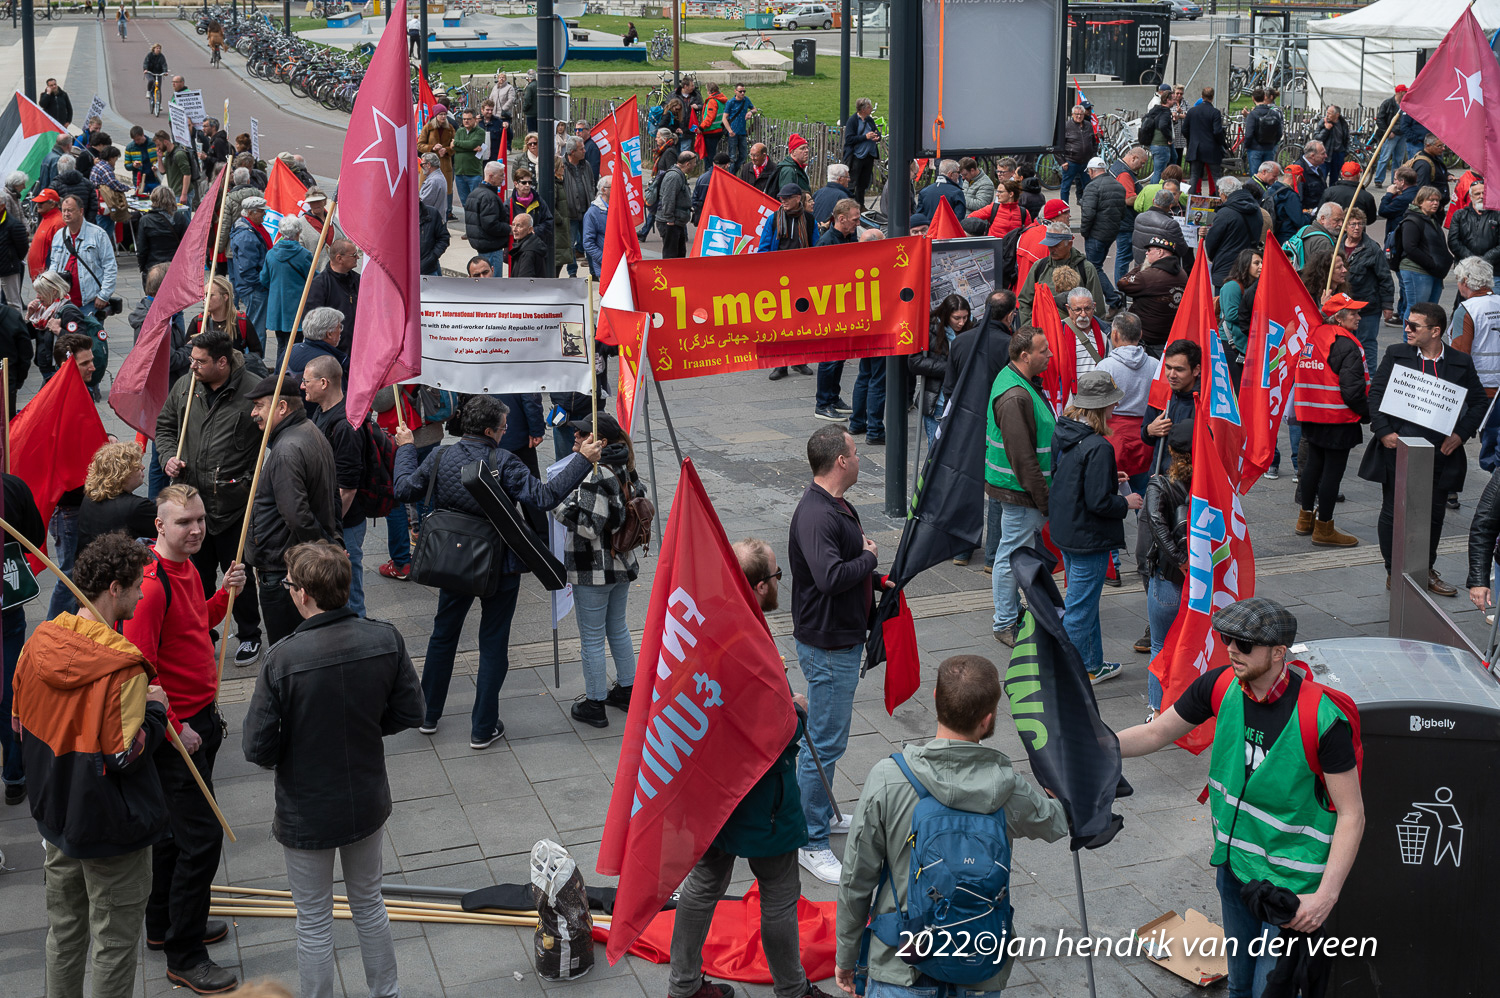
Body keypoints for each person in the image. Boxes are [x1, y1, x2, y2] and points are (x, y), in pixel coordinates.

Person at [1117, 597, 1365, 998]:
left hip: (1291, 889)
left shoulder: (1321, 717)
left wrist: (1325, 898)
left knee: (1271, 991)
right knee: (1239, 986)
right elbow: (1155, 733)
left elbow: (1353, 815)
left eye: (1245, 644)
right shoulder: (1219, 686)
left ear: (1279, 652)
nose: (1231, 648)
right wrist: (1089, 751)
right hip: (1234, 871)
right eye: (1227, 638)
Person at [242, 541, 424, 998]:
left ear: (303, 594)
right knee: (369, 904)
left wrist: (297, 745)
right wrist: (363, 728)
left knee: (315, 921)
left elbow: (257, 746)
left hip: (307, 808)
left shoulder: (282, 659)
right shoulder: (385, 639)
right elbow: (410, 710)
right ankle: (387, 993)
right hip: (365, 798)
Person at [833, 655, 1068, 998]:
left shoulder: (888, 778)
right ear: (988, 721)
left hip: (902, 963)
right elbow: (1056, 824)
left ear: (935, 700)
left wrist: (847, 955)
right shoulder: (1008, 788)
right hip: (979, 963)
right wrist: (1063, 790)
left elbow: (856, 879)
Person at [393, 397, 601, 747]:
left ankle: (427, 714)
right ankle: (482, 727)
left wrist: (406, 449)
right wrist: (582, 460)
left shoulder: (441, 456)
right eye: (504, 427)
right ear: (490, 431)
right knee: (492, 644)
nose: (506, 432)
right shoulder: (504, 461)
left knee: (443, 636)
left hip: (452, 560)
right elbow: (545, 496)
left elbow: (403, 489)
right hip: (500, 564)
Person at [13, 534, 169, 998]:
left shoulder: (38, 641)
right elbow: (125, 753)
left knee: (63, 934)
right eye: (138, 585)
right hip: (110, 829)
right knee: (115, 944)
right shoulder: (123, 669)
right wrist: (157, 713)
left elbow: (20, 725)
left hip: (57, 817)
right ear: (115, 588)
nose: (143, 594)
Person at [668, 536, 824, 998]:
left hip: (713, 787)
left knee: (704, 882)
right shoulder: (750, 640)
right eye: (776, 577)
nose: (780, 583)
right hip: (761, 795)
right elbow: (771, 731)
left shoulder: (704, 626)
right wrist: (795, 713)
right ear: (758, 587)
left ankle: (684, 986)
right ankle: (793, 992)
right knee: (778, 892)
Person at [115, 485, 243, 995]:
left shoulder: (186, 570)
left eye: (200, 520)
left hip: (199, 720)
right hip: (178, 731)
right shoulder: (148, 588)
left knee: (171, 834)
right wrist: (177, 727)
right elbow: (139, 671)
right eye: (184, 522)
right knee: (201, 840)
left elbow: (195, 624)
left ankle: (163, 924)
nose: (196, 529)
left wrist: (223, 597)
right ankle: (185, 955)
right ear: (159, 528)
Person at [788, 425, 885, 885]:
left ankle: (821, 811)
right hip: (828, 645)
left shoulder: (834, 506)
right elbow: (829, 577)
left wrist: (871, 578)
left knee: (828, 738)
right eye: (855, 451)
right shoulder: (817, 514)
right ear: (840, 462)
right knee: (823, 743)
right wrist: (869, 558)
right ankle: (810, 841)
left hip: (839, 638)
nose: (860, 457)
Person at [1361, 302, 1488, 594]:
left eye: (1414, 326)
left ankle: (1425, 569)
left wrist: (1460, 434)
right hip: (1399, 449)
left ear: (1435, 331)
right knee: (1393, 511)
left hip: (1440, 453)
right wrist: (1384, 433)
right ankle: (1394, 570)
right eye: (1407, 323)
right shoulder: (1397, 354)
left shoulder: (1459, 361)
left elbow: (1480, 401)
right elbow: (1377, 394)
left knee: (1433, 513)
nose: (1407, 329)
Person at [551, 413, 644, 728]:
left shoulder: (595, 474)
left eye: (582, 434)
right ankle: (628, 690)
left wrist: (560, 507)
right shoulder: (625, 466)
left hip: (594, 569)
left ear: (600, 442)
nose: (575, 438)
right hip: (622, 563)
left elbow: (590, 527)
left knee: (591, 637)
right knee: (617, 629)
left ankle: (594, 704)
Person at [1049, 371, 1141, 683]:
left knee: (1083, 603)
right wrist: (1126, 503)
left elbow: (1069, 478)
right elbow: (1100, 503)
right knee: (1079, 608)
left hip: (1066, 530)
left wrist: (1108, 479)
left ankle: (1092, 664)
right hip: (1089, 537)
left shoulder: (1064, 431)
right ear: (1103, 407)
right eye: (1112, 405)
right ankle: (1068, 675)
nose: (1115, 410)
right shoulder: (1100, 447)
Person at [243, 374, 341, 645]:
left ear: (282, 408)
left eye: (259, 406)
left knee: (286, 647)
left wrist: (327, 548)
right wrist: (333, 542)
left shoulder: (286, 449)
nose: (254, 413)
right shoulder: (310, 432)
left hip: (282, 569)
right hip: (294, 562)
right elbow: (332, 498)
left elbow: (297, 515)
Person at [988, 328, 1055, 646]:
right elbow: (1024, 458)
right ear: (1025, 356)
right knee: (1011, 554)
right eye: (1044, 351)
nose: (1050, 355)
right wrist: (1045, 500)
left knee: (1012, 551)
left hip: (1018, 489)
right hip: (1022, 493)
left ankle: (1010, 613)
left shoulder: (1016, 381)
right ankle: (1005, 622)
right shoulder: (1016, 395)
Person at [1293, 293, 1371, 547]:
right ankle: (1324, 527)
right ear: (1339, 317)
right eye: (1354, 313)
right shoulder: (1347, 344)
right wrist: (1367, 413)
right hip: (1337, 417)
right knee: (1331, 475)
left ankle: (1305, 518)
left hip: (1312, 415)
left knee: (1312, 467)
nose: (1359, 317)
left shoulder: (1312, 336)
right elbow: (1353, 391)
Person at [300, 355, 369, 618]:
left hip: (345, 525)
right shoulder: (321, 411)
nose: (303, 386)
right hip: (332, 521)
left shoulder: (345, 426)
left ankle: (359, 641)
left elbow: (347, 488)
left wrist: (331, 531)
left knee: (349, 588)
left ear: (324, 382)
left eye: (307, 381)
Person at [1138, 420, 1192, 715]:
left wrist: (1178, 561)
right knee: (1192, 645)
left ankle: (1158, 711)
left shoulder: (1160, 484)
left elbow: (1158, 528)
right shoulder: (1211, 483)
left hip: (1168, 578)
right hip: (1202, 581)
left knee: (1160, 645)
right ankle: (1190, 709)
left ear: (1170, 450)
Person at [1096, 311, 1158, 490]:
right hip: (1144, 436)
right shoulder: (1155, 364)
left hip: (1112, 436)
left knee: (1108, 492)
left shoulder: (1105, 366)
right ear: (1140, 334)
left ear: (1114, 334)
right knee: (1143, 493)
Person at [1449, 258, 1500, 471]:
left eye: (1459, 280)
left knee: (1460, 438)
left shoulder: (1467, 309)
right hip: (1497, 389)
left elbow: (1460, 354)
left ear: (1466, 281)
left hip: (1480, 388)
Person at [1017, 222, 1104, 332]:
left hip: (1076, 334)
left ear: (1070, 244)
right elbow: (1025, 301)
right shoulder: (1039, 267)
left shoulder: (1086, 268)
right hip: (1044, 334)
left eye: (1056, 245)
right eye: (1049, 245)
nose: (1052, 249)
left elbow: (1098, 307)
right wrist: (1031, 329)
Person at [76, 441, 157, 556]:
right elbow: (169, 529)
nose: (143, 467)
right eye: (137, 465)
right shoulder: (137, 507)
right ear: (123, 473)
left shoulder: (90, 498)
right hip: (120, 570)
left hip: (89, 567)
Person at [1341, 208, 1396, 368]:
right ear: (1345, 226)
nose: (1357, 227)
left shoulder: (1372, 249)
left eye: (1360, 224)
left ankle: (1370, 378)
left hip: (1367, 307)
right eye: (1352, 224)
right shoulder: (1337, 246)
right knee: (1346, 345)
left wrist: (1387, 305)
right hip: (1345, 307)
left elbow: (1385, 278)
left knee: (1367, 344)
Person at [48, 195, 116, 319]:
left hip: (90, 303)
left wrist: (103, 296)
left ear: (81, 211)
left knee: (90, 338)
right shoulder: (59, 235)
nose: (66, 214)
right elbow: (54, 264)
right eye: (64, 210)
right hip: (64, 303)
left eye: (70, 210)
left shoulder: (98, 234)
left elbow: (110, 266)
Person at [1118, 237, 1189, 355]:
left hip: (1147, 338)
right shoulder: (1182, 274)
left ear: (1160, 252)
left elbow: (1122, 283)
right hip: (1170, 335)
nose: (1146, 253)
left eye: (1149, 250)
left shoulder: (1148, 276)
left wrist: (1143, 266)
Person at [1141, 338, 1200, 478]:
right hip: (1156, 479)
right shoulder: (1163, 396)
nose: (1171, 375)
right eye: (1168, 367)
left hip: (1187, 487)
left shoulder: (1205, 402)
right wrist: (1150, 430)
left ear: (1196, 370)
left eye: (1179, 370)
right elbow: (1145, 434)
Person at [913, 295, 967, 443]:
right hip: (938, 400)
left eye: (965, 317)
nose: (961, 322)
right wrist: (950, 368)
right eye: (957, 318)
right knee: (936, 448)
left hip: (962, 399)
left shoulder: (969, 330)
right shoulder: (929, 329)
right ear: (946, 315)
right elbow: (914, 361)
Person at [259, 217, 313, 363]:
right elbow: (313, 279)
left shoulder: (271, 253)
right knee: (296, 346)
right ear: (298, 232)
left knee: (281, 345)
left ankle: (279, 375)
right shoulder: (304, 255)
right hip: (297, 307)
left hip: (277, 308)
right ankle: (290, 376)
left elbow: (264, 279)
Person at [1396, 186, 1453, 322]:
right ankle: (1410, 341)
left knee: (1430, 311)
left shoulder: (1431, 219)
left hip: (1434, 271)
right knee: (1417, 310)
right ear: (1420, 202)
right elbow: (1410, 248)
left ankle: (1424, 341)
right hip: (1417, 271)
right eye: (1431, 200)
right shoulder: (1412, 221)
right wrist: (1432, 264)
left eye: (1437, 200)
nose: (1435, 203)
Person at [1078, 156, 1126, 311]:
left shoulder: (1092, 187)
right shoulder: (1118, 186)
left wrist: (1084, 232)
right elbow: (1123, 213)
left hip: (1096, 234)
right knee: (1096, 266)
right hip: (1110, 233)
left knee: (1094, 268)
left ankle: (1114, 300)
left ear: (1091, 171)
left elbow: (1088, 214)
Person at [1202, 176, 1263, 290]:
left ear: (1224, 194)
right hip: (1248, 267)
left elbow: (1212, 241)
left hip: (1226, 269)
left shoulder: (1225, 213)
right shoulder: (1256, 210)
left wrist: (1211, 254)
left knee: (1224, 304)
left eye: (1219, 193)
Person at [304, 239, 361, 355]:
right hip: (332, 352)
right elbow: (313, 323)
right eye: (354, 255)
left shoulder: (358, 280)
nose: (358, 258)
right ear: (339, 258)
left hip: (357, 349)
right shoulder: (320, 284)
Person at [228, 197, 271, 335]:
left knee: (255, 325)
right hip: (254, 289)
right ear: (251, 213)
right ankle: (255, 356)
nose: (264, 214)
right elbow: (247, 270)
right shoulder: (247, 236)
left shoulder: (249, 228)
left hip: (250, 286)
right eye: (261, 211)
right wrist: (261, 285)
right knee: (258, 329)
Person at [1218, 248, 1262, 383]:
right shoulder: (1232, 286)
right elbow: (1231, 315)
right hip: (1231, 343)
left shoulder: (1252, 285)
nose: (1261, 266)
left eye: (1262, 262)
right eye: (1256, 263)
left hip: (1242, 342)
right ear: (1245, 264)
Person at [463, 160, 512, 275]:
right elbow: (491, 224)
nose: (503, 178)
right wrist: (509, 229)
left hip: (483, 246)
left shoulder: (475, 193)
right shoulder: (489, 197)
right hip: (492, 248)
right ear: (491, 176)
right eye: (501, 175)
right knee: (493, 285)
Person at [1448, 181, 1500, 284]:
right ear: (1471, 196)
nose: (1481, 196)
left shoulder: (1497, 215)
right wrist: (1473, 261)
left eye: (1484, 193)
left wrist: (1483, 261)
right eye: (1477, 194)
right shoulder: (1460, 215)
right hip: (1466, 271)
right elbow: (1453, 241)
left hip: (1494, 273)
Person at [1130, 187, 1191, 270]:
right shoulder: (1170, 224)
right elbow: (1182, 250)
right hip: (1160, 271)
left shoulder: (1139, 217)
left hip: (1140, 267)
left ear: (1153, 200)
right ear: (1170, 205)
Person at [135, 185, 186, 282]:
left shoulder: (146, 220)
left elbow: (142, 248)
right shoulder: (179, 218)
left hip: (153, 267)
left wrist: (143, 268)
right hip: (174, 266)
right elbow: (186, 244)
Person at [1182, 87, 1224, 195]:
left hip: (1195, 147)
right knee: (1216, 177)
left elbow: (1184, 129)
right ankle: (1218, 199)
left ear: (1202, 96)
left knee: (1194, 176)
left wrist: (1192, 140)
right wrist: (1221, 142)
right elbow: (1217, 131)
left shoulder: (1192, 111)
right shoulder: (1215, 112)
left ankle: (1191, 200)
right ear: (1212, 97)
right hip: (1211, 148)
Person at [417, 104, 457, 217]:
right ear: (436, 115)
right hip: (429, 165)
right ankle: (424, 213)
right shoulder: (428, 127)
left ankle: (446, 213)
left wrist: (447, 150)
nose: (443, 117)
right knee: (428, 189)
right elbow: (419, 145)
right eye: (441, 115)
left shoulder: (450, 128)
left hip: (445, 164)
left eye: (445, 114)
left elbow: (454, 147)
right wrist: (432, 148)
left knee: (445, 191)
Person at [841, 98, 881, 207]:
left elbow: (877, 132)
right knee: (853, 182)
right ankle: (849, 206)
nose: (871, 109)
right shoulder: (853, 121)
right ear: (863, 109)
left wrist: (877, 137)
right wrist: (865, 137)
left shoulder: (869, 120)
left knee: (863, 183)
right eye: (869, 107)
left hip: (869, 155)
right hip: (857, 156)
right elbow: (849, 139)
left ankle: (860, 206)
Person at [1059, 104, 1097, 205]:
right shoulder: (1066, 126)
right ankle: (1064, 208)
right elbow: (1058, 146)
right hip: (1071, 161)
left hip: (1086, 163)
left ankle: (1089, 207)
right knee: (1065, 187)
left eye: (1081, 114)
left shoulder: (1088, 125)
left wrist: (1093, 157)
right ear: (1072, 114)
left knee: (1089, 187)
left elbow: (1093, 142)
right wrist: (1062, 162)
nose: (1079, 116)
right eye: (1076, 114)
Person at [1320, 161, 1378, 229]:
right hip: (1357, 234)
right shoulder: (1366, 196)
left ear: (1342, 174)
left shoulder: (1329, 192)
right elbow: (1371, 219)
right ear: (1359, 175)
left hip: (1333, 232)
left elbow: (1320, 213)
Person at [1241, 86, 1284, 176]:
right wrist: (1273, 143)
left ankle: (1257, 190)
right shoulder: (1274, 113)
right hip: (1269, 148)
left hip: (1255, 148)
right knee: (1268, 175)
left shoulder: (1253, 115)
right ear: (1264, 97)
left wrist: (1246, 146)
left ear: (1253, 98)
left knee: (1256, 175)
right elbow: (1279, 132)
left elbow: (1249, 134)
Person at [1372, 85, 1409, 184]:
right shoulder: (1388, 103)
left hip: (1402, 134)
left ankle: (1395, 180)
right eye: (1405, 92)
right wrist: (1387, 132)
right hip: (1392, 135)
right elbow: (1380, 119)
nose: (1406, 93)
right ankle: (1378, 180)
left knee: (1398, 159)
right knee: (1385, 157)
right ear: (1400, 92)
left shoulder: (1404, 104)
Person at [510, 166, 554, 249]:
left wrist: (534, 230)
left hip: (536, 246)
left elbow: (549, 221)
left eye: (529, 183)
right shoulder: (509, 204)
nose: (527, 185)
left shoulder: (539, 201)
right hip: (517, 247)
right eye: (524, 183)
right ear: (516, 184)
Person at [451, 108, 487, 210]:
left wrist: (456, 143)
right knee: (465, 203)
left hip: (474, 173)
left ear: (475, 119)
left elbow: (473, 143)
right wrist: (470, 148)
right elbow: (454, 148)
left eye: (469, 119)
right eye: (464, 119)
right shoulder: (460, 131)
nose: (466, 121)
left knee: (476, 203)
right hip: (459, 174)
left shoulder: (480, 132)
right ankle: (468, 223)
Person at [27, 189, 66, 282]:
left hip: (46, 278)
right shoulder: (47, 216)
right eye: (38, 202)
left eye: (42, 202)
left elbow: (58, 254)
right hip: (40, 276)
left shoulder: (58, 222)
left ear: (52, 204)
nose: (38, 205)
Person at [1140, 88, 1177, 184]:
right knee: (1159, 172)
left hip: (1154, 145)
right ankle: (1153, 191)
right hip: (1161, 145)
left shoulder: (1156, 109)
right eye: (1173, 99)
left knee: (1158, 170)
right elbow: (1163, 125)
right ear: (1168, 100)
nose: (1175, 101)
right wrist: (1169, 138)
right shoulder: (1165, 112)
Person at [724, 84, 757, 177]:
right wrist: (729, 130)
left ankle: (733, 173)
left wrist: (750, 112)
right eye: (740, 91)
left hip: (742, 133)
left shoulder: (746, 100)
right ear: (735, 91)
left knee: (743, 156)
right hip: (733, 133)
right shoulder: (730, 103)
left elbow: (755, 109)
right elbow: (724, 118)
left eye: (744, 91)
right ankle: (731, 176)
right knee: (732, 157)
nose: (742, 93)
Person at [155, 130, 194, 207]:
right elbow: (163, 171)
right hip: (174, 192)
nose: (157, 148)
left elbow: (187, 174)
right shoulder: (167, 154)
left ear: (165, 142)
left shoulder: (179, 154)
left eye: (158, 145)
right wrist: (159, 158)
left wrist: (184, 194)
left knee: (184, 218)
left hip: (181, 193)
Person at [582, 174, 610, 278]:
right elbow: (588, 243)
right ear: (603, 190)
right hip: (605, 267)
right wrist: (605, 259)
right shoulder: (592, 213)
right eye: (613, 187)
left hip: (621, 265)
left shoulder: (618, 209)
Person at [1312, 104, 1351, 175]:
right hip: (1325, 154)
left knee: (1335, 178)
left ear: (1337, 115)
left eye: (1329, 113)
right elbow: (1317, 138)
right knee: (1322, 176)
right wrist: (1326, 129)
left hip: (1339, 154)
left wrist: (1346, 151)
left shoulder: (1343, 123)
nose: (1327, 115)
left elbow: (1347, 138)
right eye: (1327, 112)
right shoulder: (1323, 122)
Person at [507, 212, 547, 278]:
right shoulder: (530, 244)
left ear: (530, 230)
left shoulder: (528, 252)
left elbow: (524, 281)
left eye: (519, 226)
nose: (514, 229)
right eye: (513, 225)